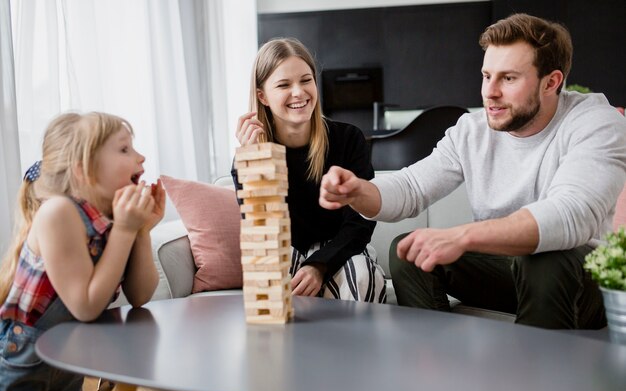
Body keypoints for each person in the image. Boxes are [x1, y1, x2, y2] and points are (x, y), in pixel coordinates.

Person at [319, 13, 626, 330]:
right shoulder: (472, 131)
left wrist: (463, 236)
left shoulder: (596, 123)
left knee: (544, 260)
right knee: (410, 251)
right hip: (508, 273)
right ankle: (434, 363)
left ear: (551, 82)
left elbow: (570, 214)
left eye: (508, 79)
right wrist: (359, 191)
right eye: (486, 75)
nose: (489, 92)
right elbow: (412, 187)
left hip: (580, 283)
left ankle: (533, 375)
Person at [0, 112, 165, 391]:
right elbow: (85, 307)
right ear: (85, 170)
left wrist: (140, 230)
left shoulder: (112, 219)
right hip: (19, 365)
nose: (141, 158)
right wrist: (126, 231)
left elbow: (141, 295)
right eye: (124, 149)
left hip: (66, 360)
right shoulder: (57, 213)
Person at [234, 37, 386, 305]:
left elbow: (360, 221)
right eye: (283, 85)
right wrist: (254, 163)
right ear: (262, 96)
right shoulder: (251, 153)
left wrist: (318, 266)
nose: (299, 92)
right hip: (286, 249)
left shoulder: (348, 138)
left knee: (360, 274)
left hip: (342, 248)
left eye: (306, 80)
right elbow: (263, 233)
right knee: (273, 272)